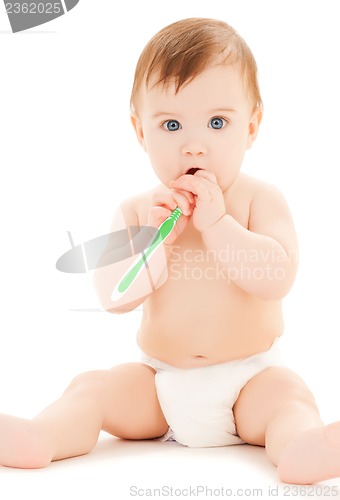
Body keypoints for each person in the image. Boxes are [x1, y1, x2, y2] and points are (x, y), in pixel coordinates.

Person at [1, 17, 339, 485]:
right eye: (172, 124)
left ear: (252, 127)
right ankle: (43, 436)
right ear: (141, 132)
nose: (194, 146)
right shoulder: (138, 211)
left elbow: (276, 276)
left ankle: (302, 449)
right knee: (93, 388)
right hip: (160, 384)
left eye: (218, 123)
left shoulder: (260, 200)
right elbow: (115, 297)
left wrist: (219, 226)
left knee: (290, 398)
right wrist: (152, 245)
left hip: (249, 379)